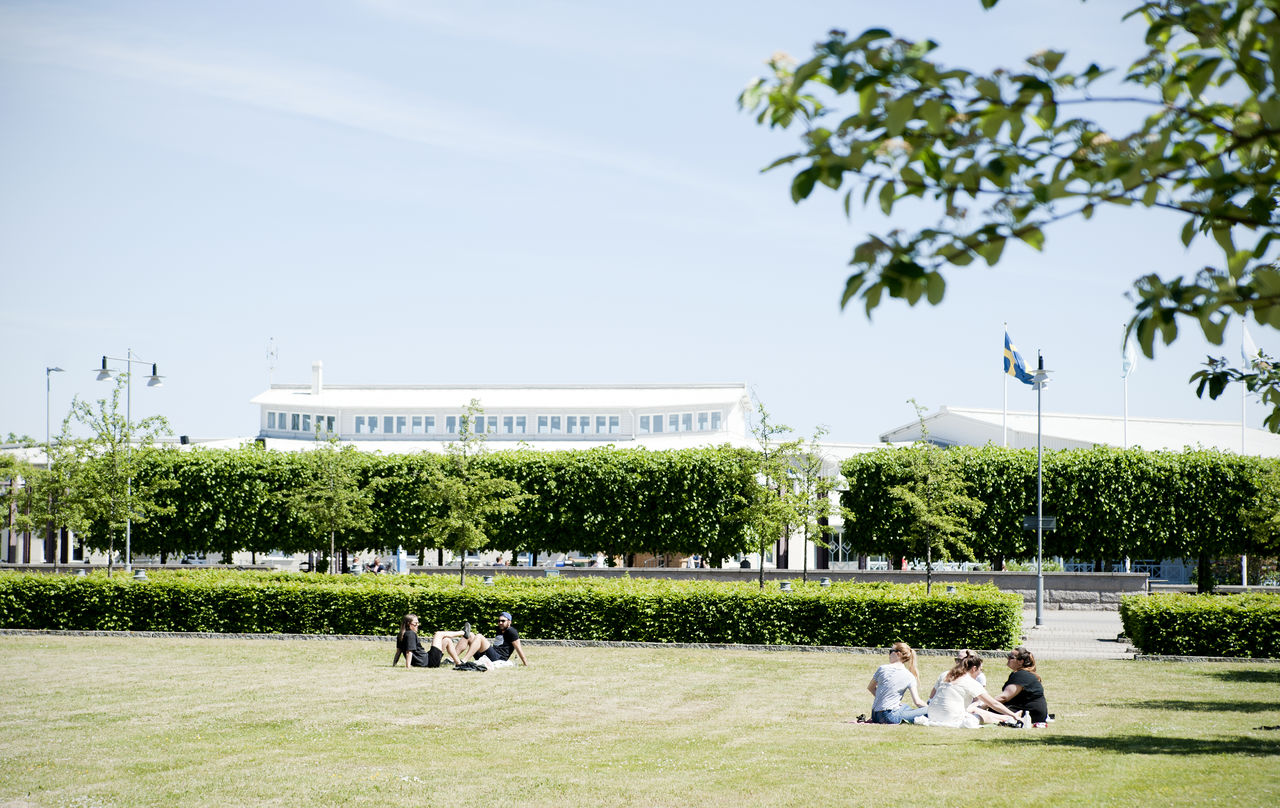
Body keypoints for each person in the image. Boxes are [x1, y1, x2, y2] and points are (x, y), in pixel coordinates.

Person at [918, 655, 1022, 728]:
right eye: (980, 670)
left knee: (973, 709)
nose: (980, 673)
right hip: (950, 717)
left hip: (932, 714)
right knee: (982, 716)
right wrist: (1013, 714)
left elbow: (932, 696)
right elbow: (993, 703)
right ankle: (1009, 718)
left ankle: (1006, 717)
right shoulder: (969, 681)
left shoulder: (946, 675)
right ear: (974, 668)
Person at [866, 642, 928, 724]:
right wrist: (929, 708)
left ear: (898, 654)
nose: (889, 654)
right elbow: (917, 702)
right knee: (929, 709)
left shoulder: (882, 669)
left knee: (905, 707)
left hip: (875, 715)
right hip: (889, 717)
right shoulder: (909, 676)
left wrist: (885, 699)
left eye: (891, 651)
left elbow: (870, 688)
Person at [995, 646, 1050, 727]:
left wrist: (984, 704)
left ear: (1020, 661)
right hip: (1035, 713)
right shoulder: (1021, 673)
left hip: (1030, 714)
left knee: (991, 710)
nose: (1008, 658)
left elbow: (1004, 697)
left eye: (1011, 657)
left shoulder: (1021, 675)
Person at [392, 614, 469, 669]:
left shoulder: (401, 634)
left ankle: (459, 664)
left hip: (427, 660)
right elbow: (409, 651)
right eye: (415, 623)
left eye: (418, 623)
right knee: (438, 634)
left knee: (447, 640)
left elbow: (398, 652)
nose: (417, 625)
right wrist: (407, 667)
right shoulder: (410, 634)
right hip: (428, 662)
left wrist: (394, 664)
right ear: (409, 624)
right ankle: (463, 633)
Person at [456, 612, 528, 667]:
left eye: (503, 621)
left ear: (509, 622)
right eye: (499, 621)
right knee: (470, 635)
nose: (500, 623)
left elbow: (518, 648)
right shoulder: (499, 629)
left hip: (499, 658)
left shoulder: (511, 631)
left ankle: (463, 661)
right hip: (490, 655)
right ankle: (453, 659)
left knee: (479, 636)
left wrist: (525, 663)